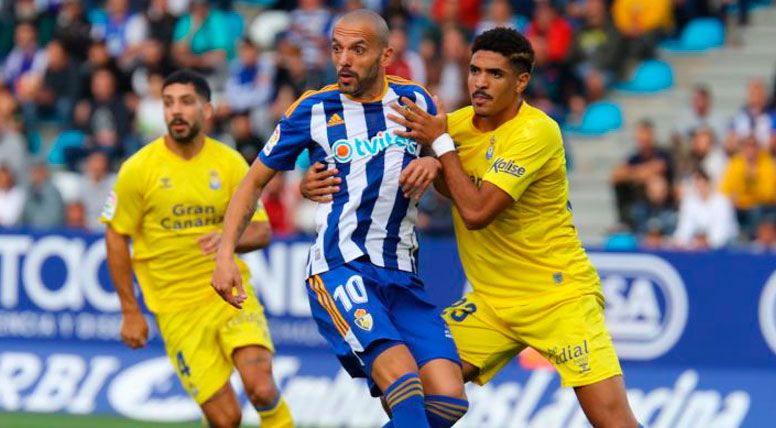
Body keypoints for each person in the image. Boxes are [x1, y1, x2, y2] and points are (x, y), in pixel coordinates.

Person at [308, 27, 641, 428]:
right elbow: (374, 160)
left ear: (521, 82)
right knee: (415, 384)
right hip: (490, 304)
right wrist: (314, 180)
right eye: (474, 70)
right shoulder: (452, 125)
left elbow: (477, 211)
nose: (480, 83)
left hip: (558, 298)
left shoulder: (537, 132)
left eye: (495, 74)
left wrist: (440, 150)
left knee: (614, 422)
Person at [211, 10, 466, 428]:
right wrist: (224, 254)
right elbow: (251, 182)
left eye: (357, 50)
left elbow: (449, 171)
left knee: (449, 400)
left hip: (402, 273)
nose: (344, 59)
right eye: (337, 48)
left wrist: (436, 165)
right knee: (405, 388)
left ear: (386, 56)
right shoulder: (313, 109)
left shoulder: (415, 101)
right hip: (341, 267)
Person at [102, 69, 293, 428]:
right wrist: (130, 311)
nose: (176, 111)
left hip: (229, 294)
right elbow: (115, 235)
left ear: (208, 110)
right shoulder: (138, 169)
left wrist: (229, 238)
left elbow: (263, 230)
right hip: (176, 309)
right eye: (169, 102)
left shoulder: (230, 162)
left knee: (262, 388)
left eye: (187, 102)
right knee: (226, 419)